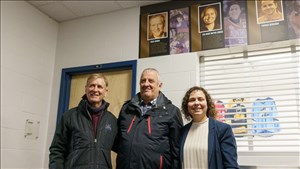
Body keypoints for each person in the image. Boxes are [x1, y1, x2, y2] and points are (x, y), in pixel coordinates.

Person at [115, 68, 183, 169]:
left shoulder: (171, 112)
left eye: (151, 81)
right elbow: (118, 142)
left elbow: (176, 151)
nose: (146, 84)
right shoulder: (127, 108)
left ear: (160, 85)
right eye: (143, 80)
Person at [49, 73, 118, 169]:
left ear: (105, 92)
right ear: (86, 89)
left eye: (99, 87)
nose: (95, 89)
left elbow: (125, 148)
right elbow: (57, 150)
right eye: (92, 86)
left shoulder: (112, 120)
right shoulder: (69, 116)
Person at [179, 86, 239, 169]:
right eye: (192, 100)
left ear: (208, 104)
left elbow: (231, 166)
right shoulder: (182, 131)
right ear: (187, 106)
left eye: (200, 99)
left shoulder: (223, 130)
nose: (196, 103)